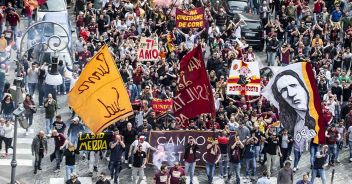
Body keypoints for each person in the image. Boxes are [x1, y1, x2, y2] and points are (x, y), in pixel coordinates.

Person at [271, 70, 317, 152]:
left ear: (304, 87)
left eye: (293, 85)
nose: (291, 94)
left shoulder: (318, 115)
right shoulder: (292, 123)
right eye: (284, 90)